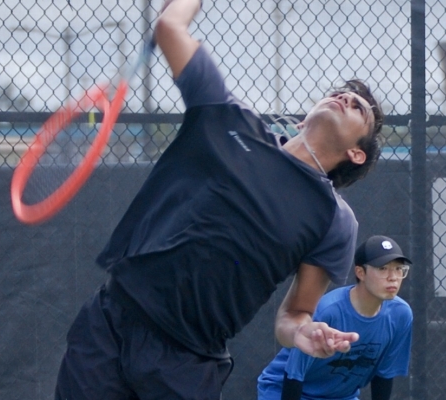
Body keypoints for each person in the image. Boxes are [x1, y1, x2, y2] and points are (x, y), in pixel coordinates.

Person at [53, 0, 385, 399]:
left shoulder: (334, 220)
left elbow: (295, 313)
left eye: (358, 109)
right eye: (340, 93)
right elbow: (170, 26)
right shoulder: (228, 119)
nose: (345, 98)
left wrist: (301, 332)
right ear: (303, 119)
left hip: (186, 363)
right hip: (111, 321)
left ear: (356, 154)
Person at [257, 235, 414, 400]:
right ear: (360, 272)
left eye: (399, 269)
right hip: (284, 389)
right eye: (383, 268)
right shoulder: (328, 311)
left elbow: (384, 375)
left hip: (341, 396)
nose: (393, 277)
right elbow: (294, 374)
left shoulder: (401, 315)